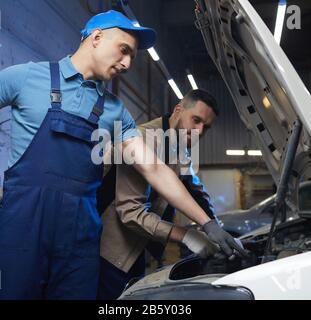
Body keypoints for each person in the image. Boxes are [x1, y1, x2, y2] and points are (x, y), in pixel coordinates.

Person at [0, 10, 244, 300]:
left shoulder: (115, 112)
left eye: (132, 57)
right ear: (96, 37)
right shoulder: (25, 77)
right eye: (123, 50)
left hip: (79, 244)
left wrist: (207, 224)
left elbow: (154, 169)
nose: (127, 63)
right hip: (21, 234)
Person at [96, 89, 245, 299]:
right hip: (107, 252)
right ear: (178, 110)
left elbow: (195, 191)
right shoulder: (143, 140)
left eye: (206, 127)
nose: (200, 130)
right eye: (196, 120)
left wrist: (217, 231)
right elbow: (130, 213)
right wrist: (187, 236)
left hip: (135, 249)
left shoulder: (179, 149)